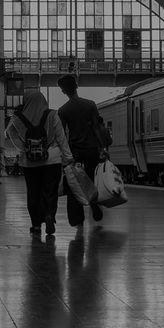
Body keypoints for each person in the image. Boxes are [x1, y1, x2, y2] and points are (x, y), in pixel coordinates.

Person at [3, 89, 74, 237]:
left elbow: (9, 134)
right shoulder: (52, 114)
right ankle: (49, 215)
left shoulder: (17, 118)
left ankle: (36, 224)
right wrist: (68, 157)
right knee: (50, 191)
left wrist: (24, 148)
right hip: (52, 159)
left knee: (33, 192)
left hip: (29, 162)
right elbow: (61, 137)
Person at [56, 74, 110, 229]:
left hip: (75, 152)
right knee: (92, 180)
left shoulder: (63, 110)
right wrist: (102, 147)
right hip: (92, 149)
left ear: (63, 91)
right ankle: (93, 202)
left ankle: (77, 221)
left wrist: (64, 154)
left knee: (75, 184)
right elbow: (96, 127)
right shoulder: (90, 104)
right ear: (77, 86)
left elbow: (63, 135)